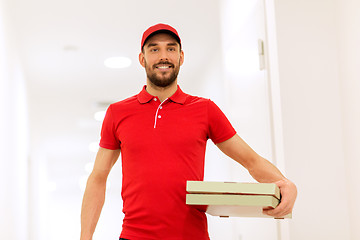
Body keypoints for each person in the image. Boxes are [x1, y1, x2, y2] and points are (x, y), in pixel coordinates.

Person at [80, 23, 297, 240]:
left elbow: (252, 161)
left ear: (181, 57)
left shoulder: (205, 110)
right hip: (134, 236)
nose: (163, 56)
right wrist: (85, 237)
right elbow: (98, 177)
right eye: (154, 49)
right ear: (142, 58)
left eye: (171, 48)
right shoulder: (118, 112)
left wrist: (285, 184)